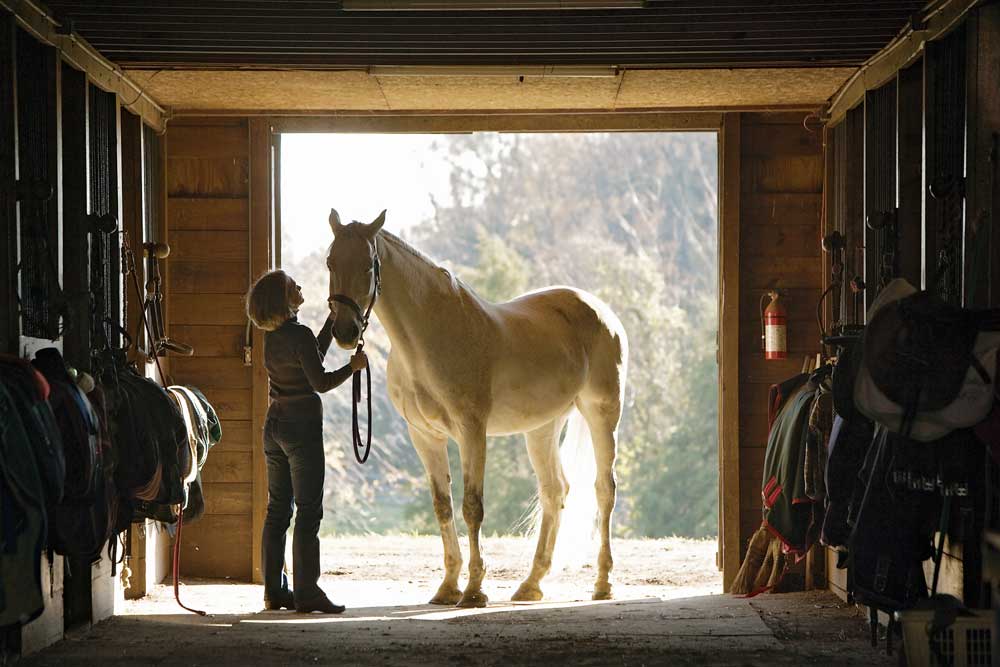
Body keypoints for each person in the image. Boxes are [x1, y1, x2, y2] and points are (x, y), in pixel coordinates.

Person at [246, 269, 367, 614]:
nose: (299, 287)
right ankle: (307, 592)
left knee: (278, 510)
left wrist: (331, 322)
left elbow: (311, 357)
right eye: (292, 286)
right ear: (284, 299)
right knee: (309, 511)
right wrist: (353, 367)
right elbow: (321, 381)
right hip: (302, 428)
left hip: (275, 426)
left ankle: (274, 591)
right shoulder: (298, 335)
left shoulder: (275, 337)